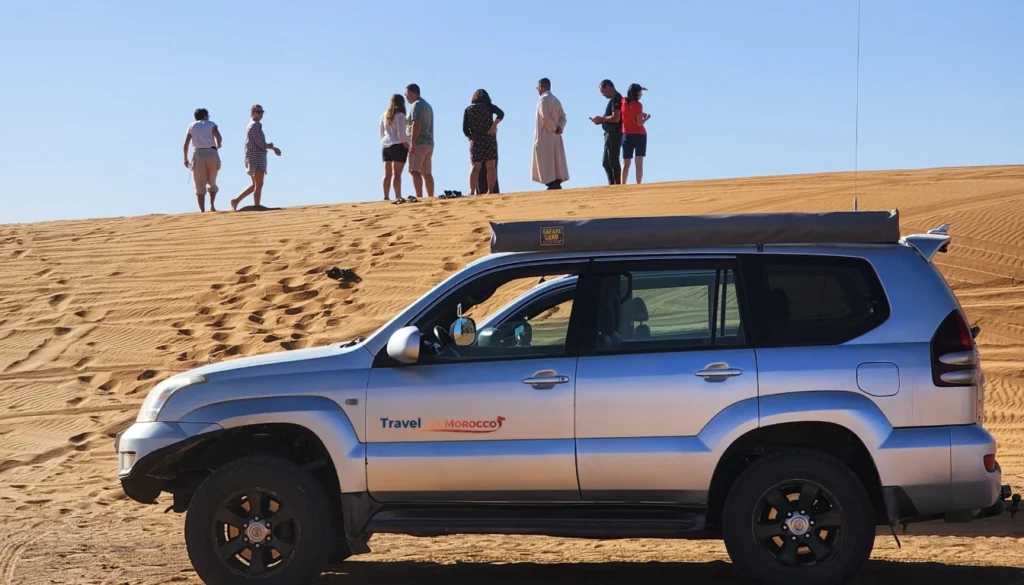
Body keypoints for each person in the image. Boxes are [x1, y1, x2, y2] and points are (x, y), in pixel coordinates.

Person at [232, 104, 281, 210]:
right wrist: (273, 148)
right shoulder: (255, 125)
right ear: (252, 113)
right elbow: (260, 143)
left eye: (262, 112)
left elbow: (258, 142)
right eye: (258, 112)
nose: (261, 114)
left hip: (254, 156)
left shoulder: (254, 125)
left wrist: (269, 146)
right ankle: (257, 205)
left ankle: (236, 200)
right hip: (256, 157)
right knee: (259, 183)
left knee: (255, 184)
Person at [462, 89, 505, 195]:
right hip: (489, 139)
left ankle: (471, 191)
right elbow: (501, 114)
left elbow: (465, 128)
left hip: (476, 140)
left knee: (475, 167)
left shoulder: (468, 110)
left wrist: (469, 136)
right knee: (490, 166)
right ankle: (490, 190)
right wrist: (493, 126)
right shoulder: (488, 106)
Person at [531, 78, 569, 190]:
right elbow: (563, 118)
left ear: (541, 87)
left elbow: (545, 116)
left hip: (545, 135)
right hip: (556, 135)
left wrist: (553, 128)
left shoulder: (543, 100)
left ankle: (552, 183)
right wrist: (559, 128)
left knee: (546, 160)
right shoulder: (556, 100)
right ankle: (555, 181)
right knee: (555, 159)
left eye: (538, 87)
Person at [182, 108, 223, 212]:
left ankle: (202, 210)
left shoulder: (192, 126)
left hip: (198, 154)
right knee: (212, 181)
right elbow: (218, 136)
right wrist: (218, 144)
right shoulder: (211, 124)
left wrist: (185, 158)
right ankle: (212, 205)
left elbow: (186, 144)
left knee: (199, 183)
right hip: (212, 153)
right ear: (205, 115)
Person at [404, 84, 435, 199]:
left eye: (406, 94)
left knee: (414, 171)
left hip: (419, 142)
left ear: (412, 93)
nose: (405, 96)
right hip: (428, 142)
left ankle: (420, 197)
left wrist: (412, 142)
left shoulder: (416, 105)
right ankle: (430, 196)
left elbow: (415, 123)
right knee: (426, 173)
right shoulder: (427, 105)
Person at [590, 80, 622, 186]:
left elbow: (616, 117)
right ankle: (613, 184)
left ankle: (616, 185)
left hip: (614, 134)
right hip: (610, 134)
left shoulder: (616, 99)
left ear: (607, 87)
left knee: (612, 161)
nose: (602, 94)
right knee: (607, 162)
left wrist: (601, 119)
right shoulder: (615, 99)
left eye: (602, 91)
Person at [379, 94, 410, 202]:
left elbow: (381, 132)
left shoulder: (384, 115)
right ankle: (398, 195)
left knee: (387, 174)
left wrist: (384, 140)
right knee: (397, 174)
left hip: (386, 145)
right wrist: (406, 143)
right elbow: (401, 132)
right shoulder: (400, 115)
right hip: (398, 145)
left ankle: (386, 195)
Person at [620, 83, 650, 185]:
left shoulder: (624, 102)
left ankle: (622, 184)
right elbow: (639, 123)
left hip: (627, 135)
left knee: (626, 163)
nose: (641, 94)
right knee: (639, 162)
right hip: (639, 135)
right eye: (640, 93)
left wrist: (640, 88)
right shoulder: (638, 105)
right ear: (636, 94)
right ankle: (638, 184)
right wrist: (646, 118)